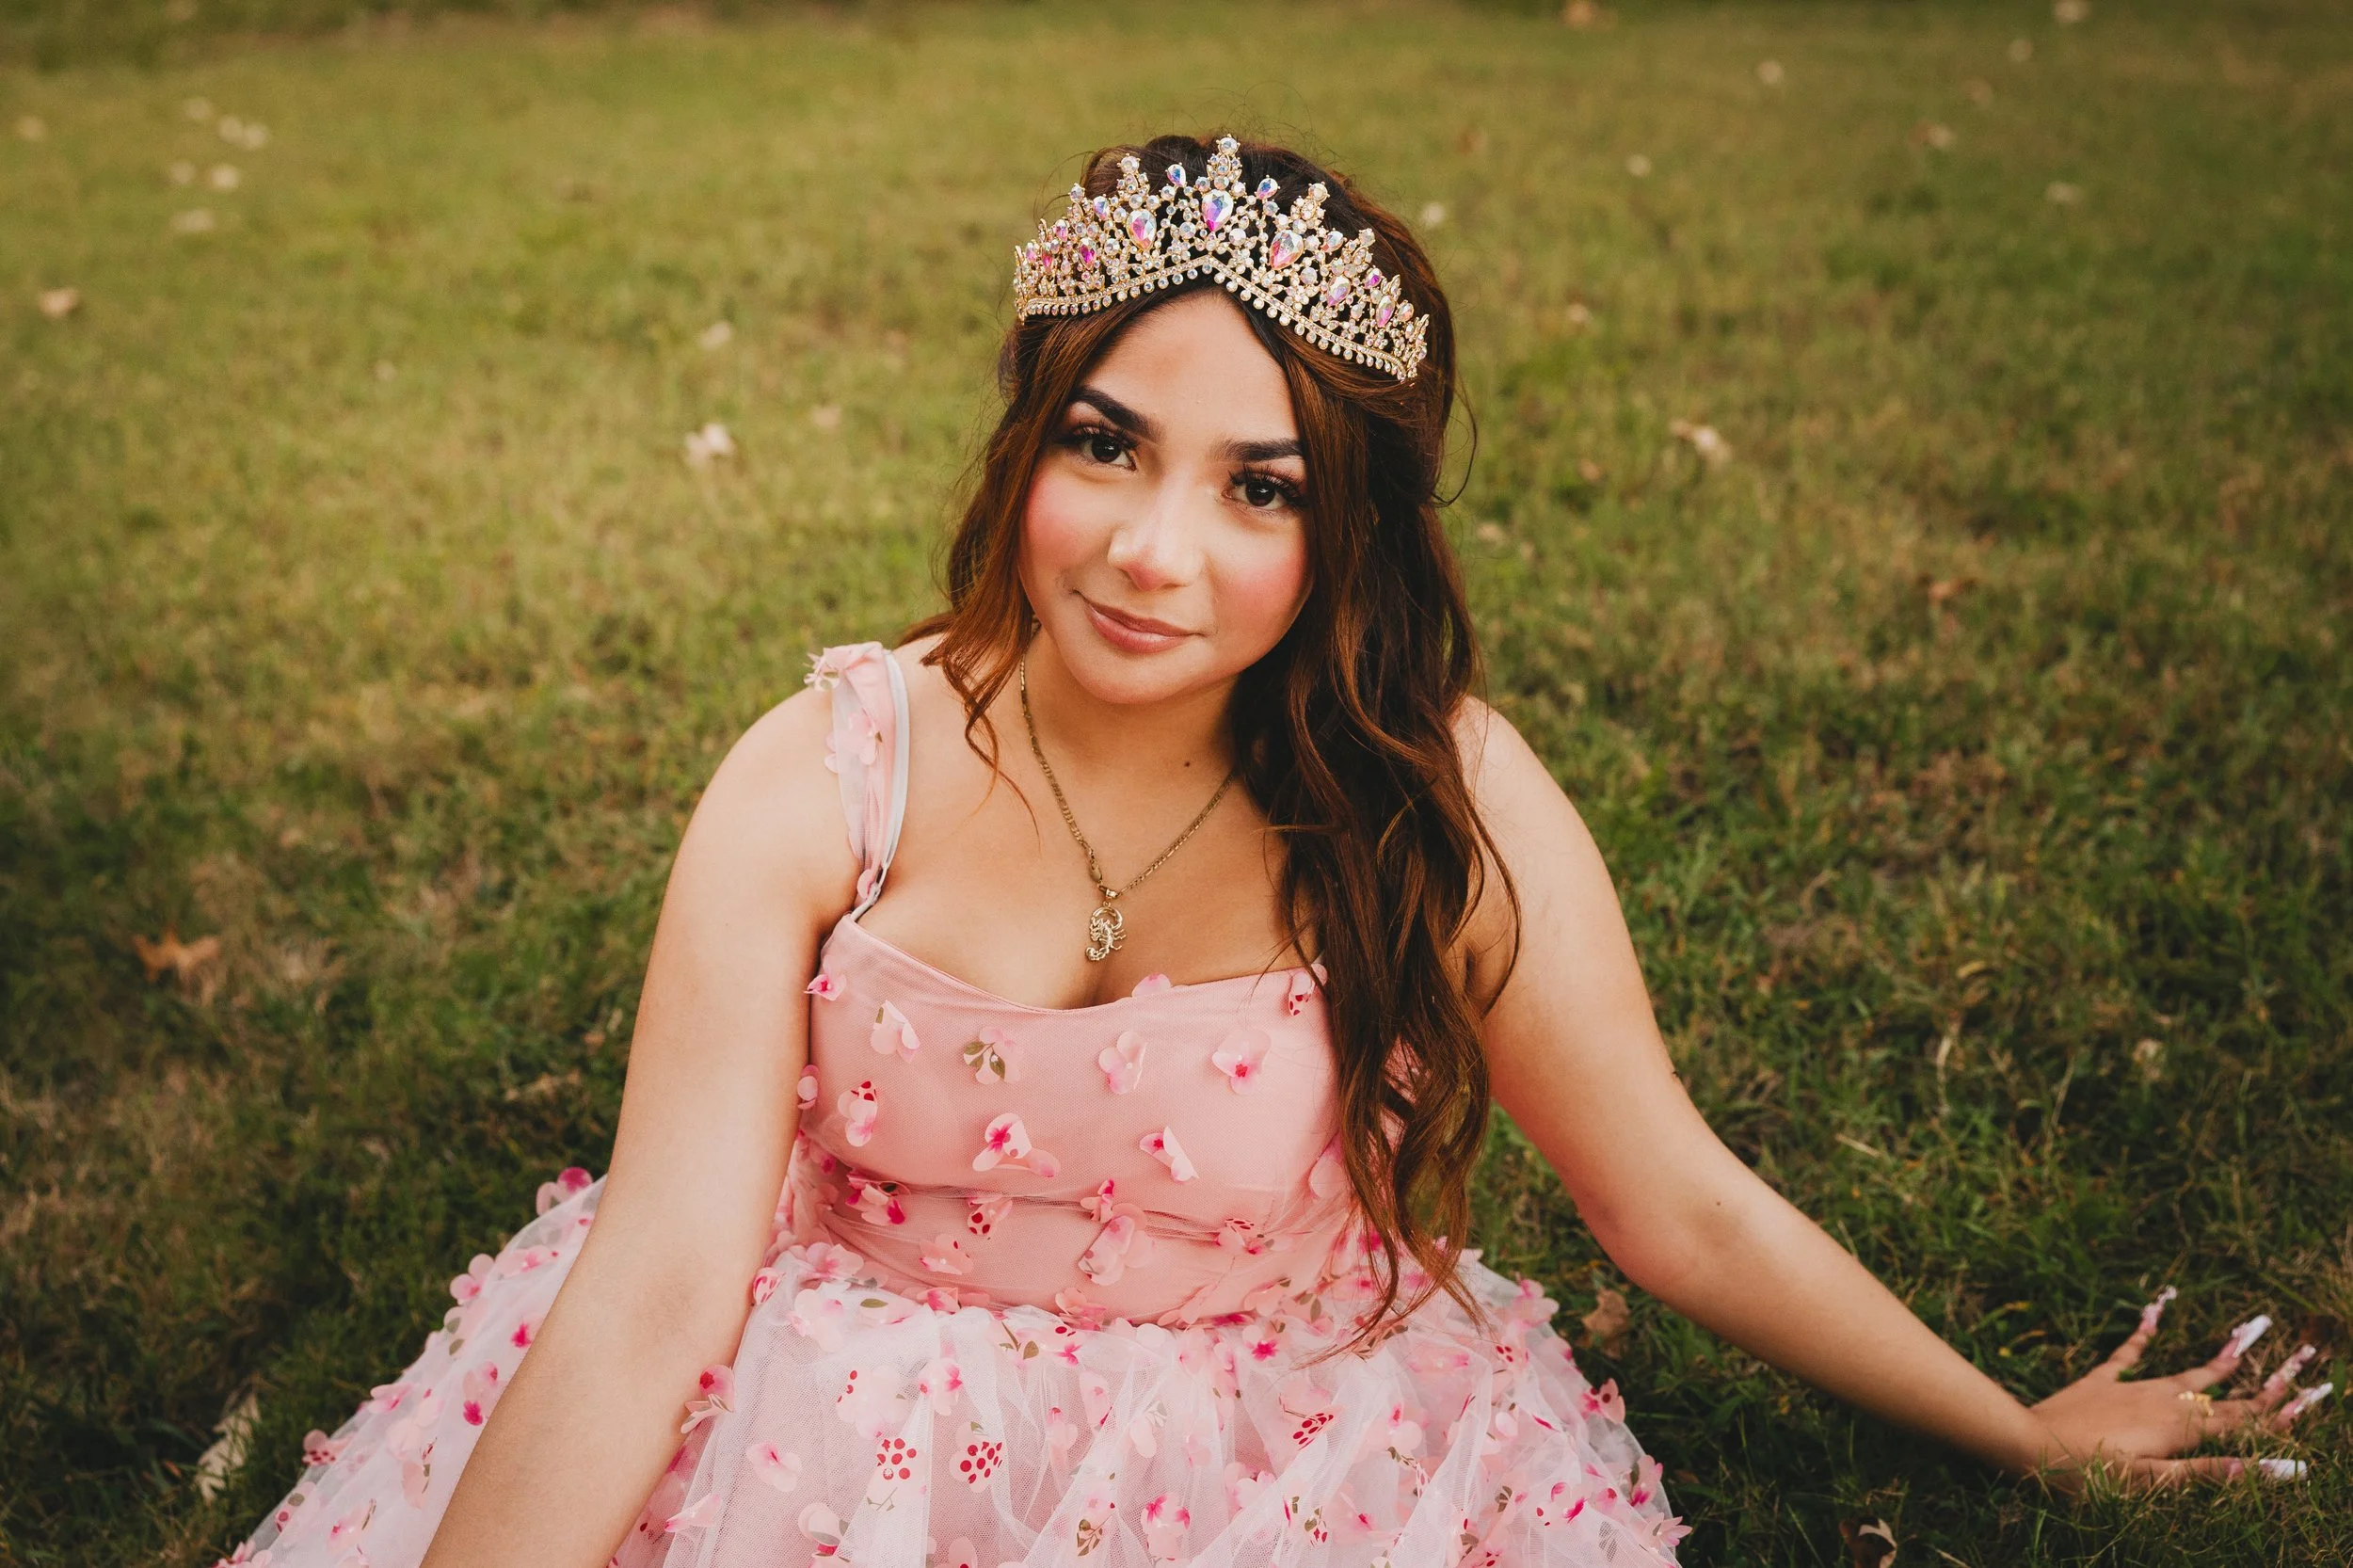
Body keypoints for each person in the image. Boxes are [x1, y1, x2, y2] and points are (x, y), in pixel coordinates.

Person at [219, 134, 2323, 1568]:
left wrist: (2017, 1428)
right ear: (1026, 431)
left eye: (1262, 488)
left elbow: (1666, 1197)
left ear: (1349, 533)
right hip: (812, 1405)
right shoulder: (822, 766)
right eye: (1103, 444)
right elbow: (662, 1274)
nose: (1153, 552)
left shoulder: (1434, 797)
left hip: (1275, 1442)